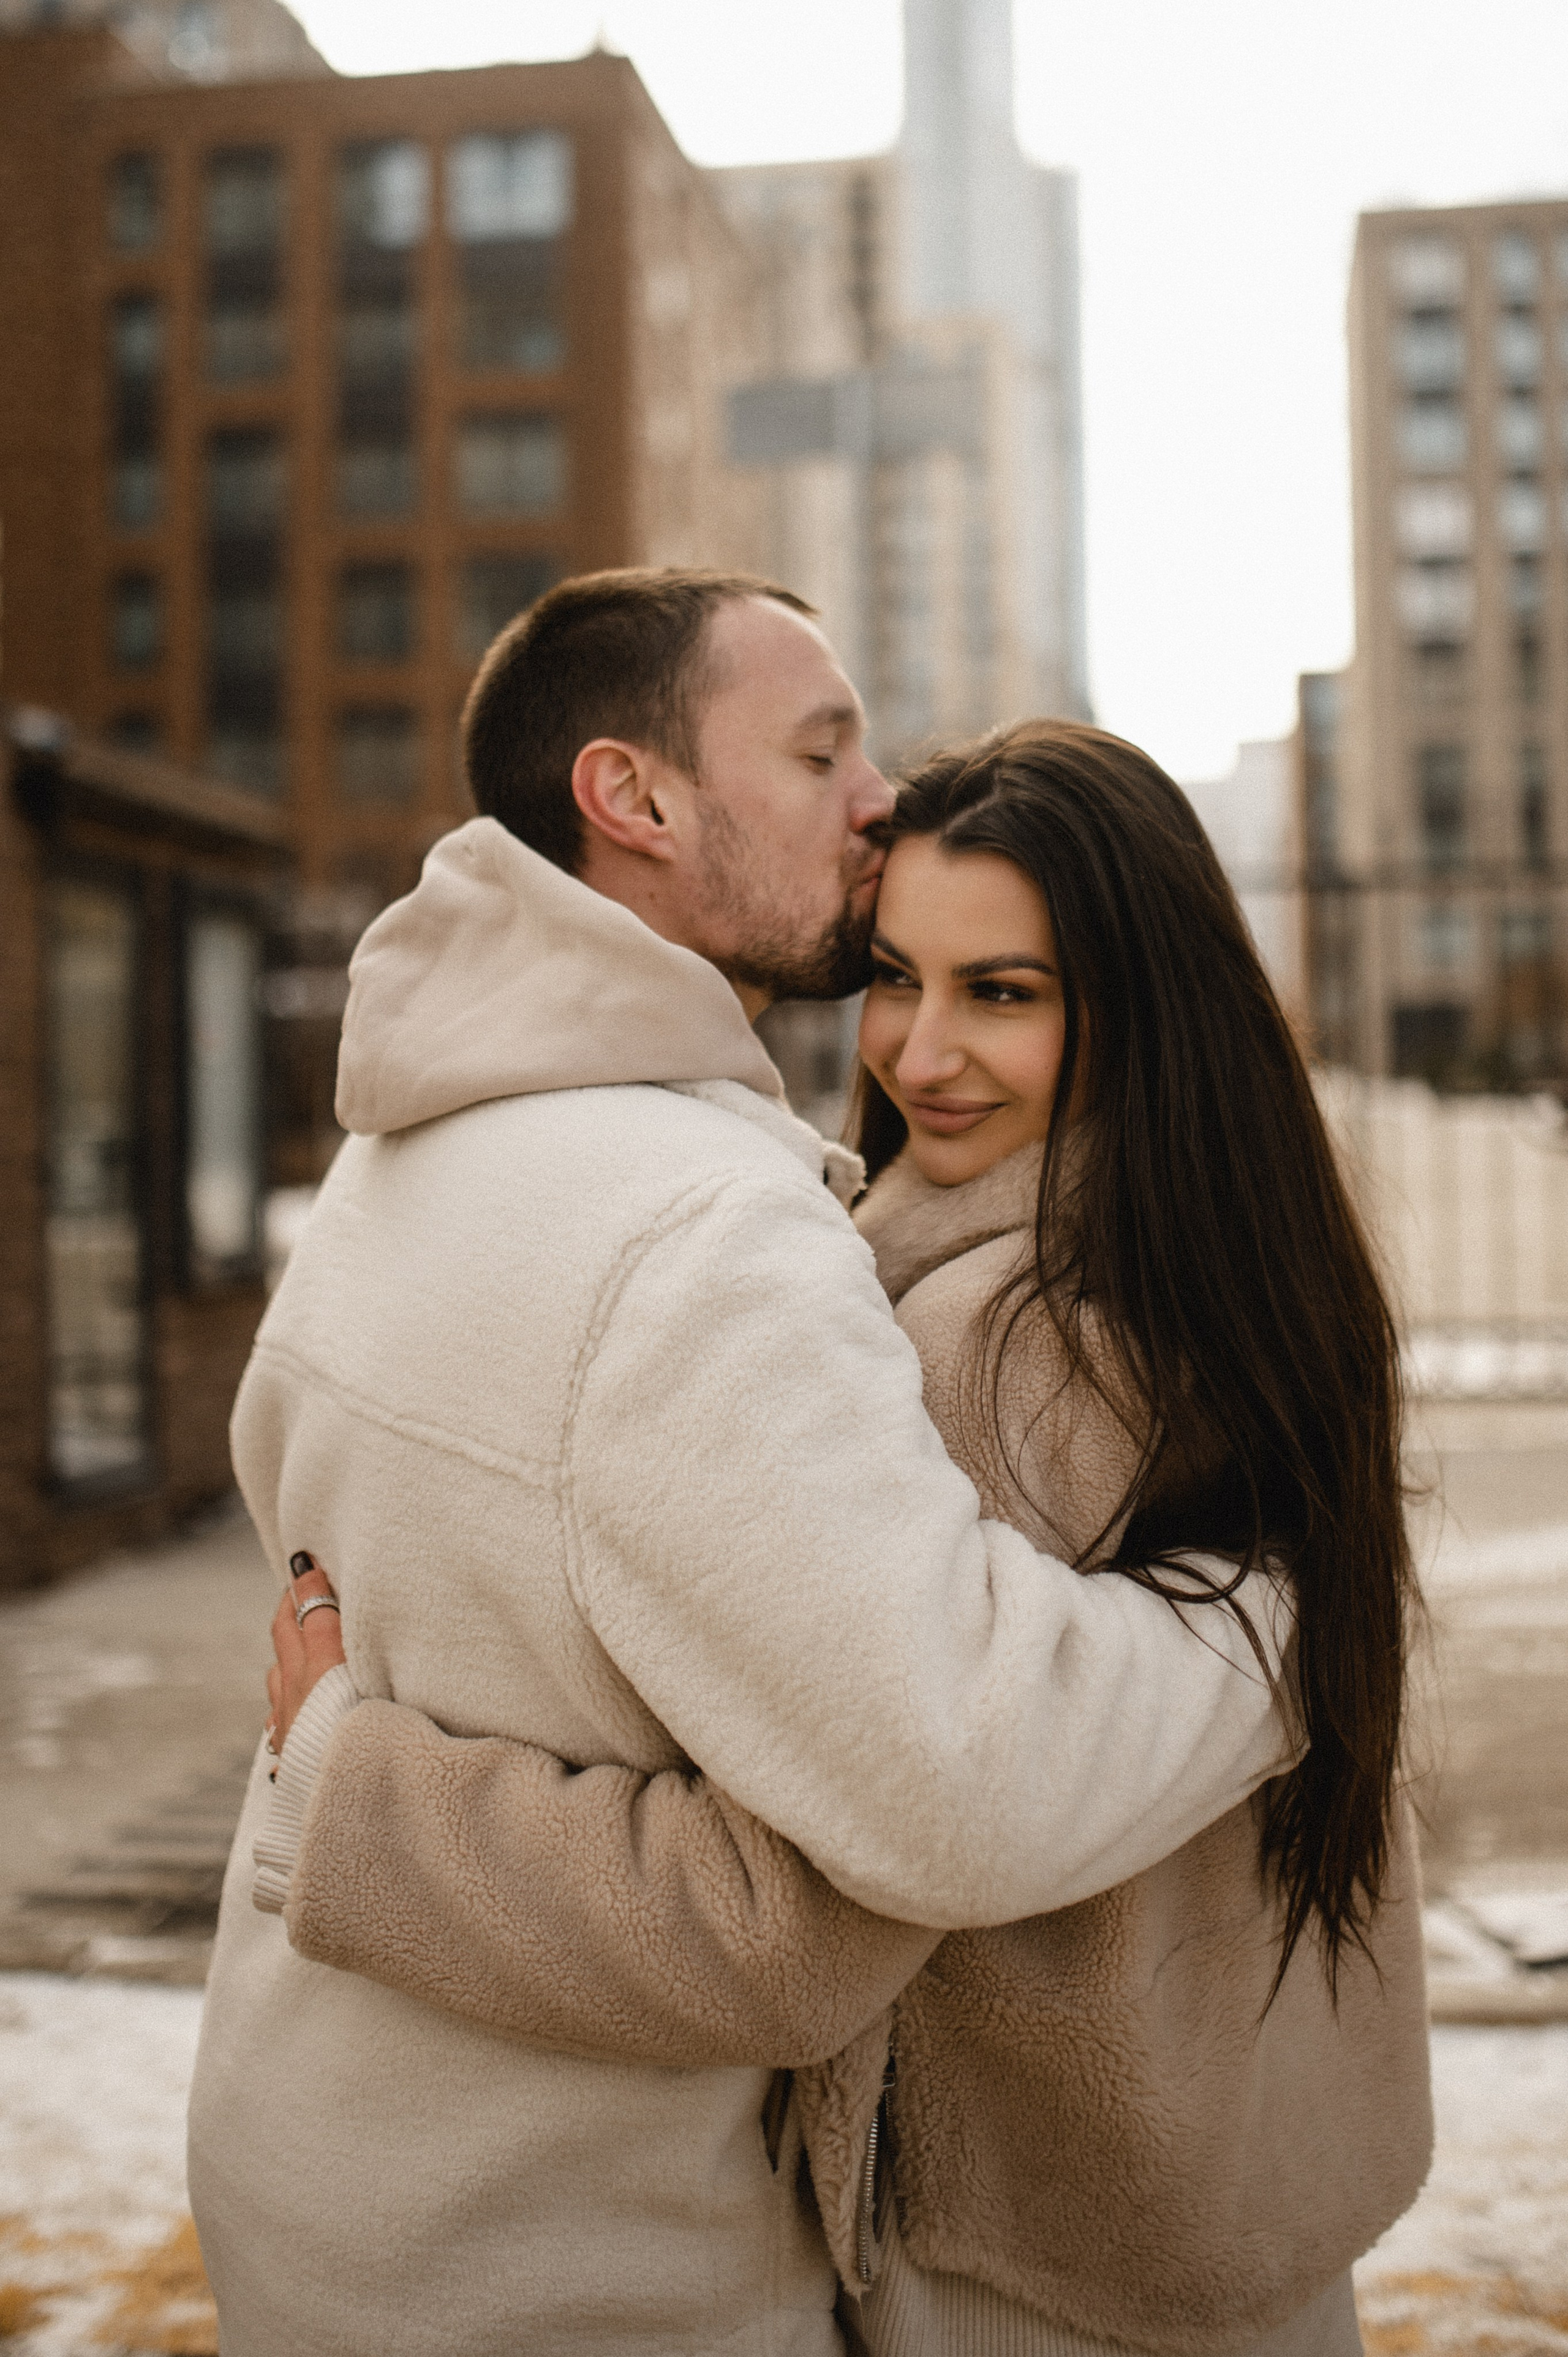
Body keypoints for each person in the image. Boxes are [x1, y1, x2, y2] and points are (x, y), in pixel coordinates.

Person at [190, 573, 1300, 2357]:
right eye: (820, 748)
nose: (881, 793)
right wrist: (1271, 1627)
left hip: (318, 2165)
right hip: (571, 2263)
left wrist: (330, 1774)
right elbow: (954, 1781)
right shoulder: (698, 1230)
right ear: (634, 799)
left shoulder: (404, 1159)